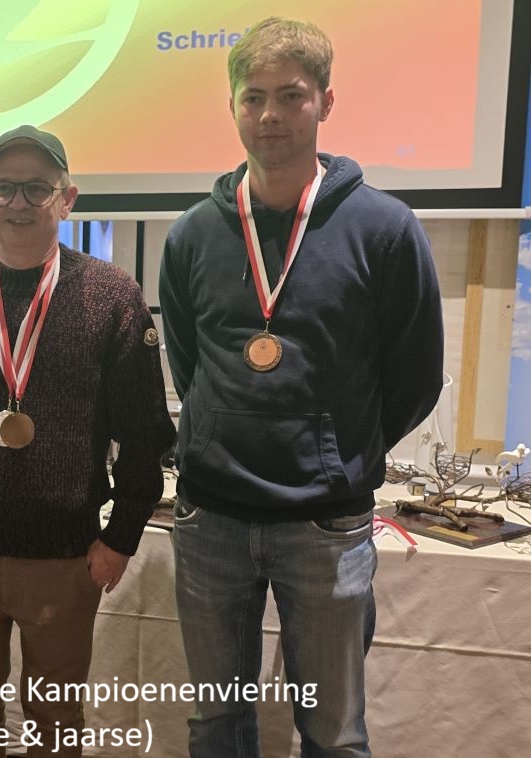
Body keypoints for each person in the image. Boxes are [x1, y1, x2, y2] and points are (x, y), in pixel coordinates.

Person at [158, 18, 444, 757]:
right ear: (232, 107)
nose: (270, 115)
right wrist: (218, 430)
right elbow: (190, 364)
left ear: (326, 102)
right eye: (253, 97)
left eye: (291, 96)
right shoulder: (192, 234)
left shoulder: (385, 229)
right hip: (211, 518)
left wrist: (337, 450)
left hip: (327, 525)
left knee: (335, 734)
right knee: (215, 726)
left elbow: (415, 375)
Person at [0, 125, 175, 758]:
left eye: (37, 188)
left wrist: (121, 538)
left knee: (56, 726)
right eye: (5, 188)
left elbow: (145, 435)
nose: (19, 203)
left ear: (67, 199)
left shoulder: (112, 298)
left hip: (65, 560)